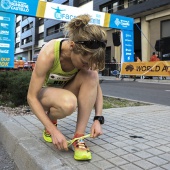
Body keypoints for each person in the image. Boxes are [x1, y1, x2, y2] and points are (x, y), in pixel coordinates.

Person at [27, 14, 107, 161]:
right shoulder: (49, 53)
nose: (87, 66)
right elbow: (31, 97)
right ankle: (51, 121)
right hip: (44, 95)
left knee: (92, 75)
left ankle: (79, 137)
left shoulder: (88, 55)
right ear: (72, 46)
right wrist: (53, 130)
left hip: (65, 91)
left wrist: (98, 119)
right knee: (68, 104)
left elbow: (95, 88)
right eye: (84, 62)